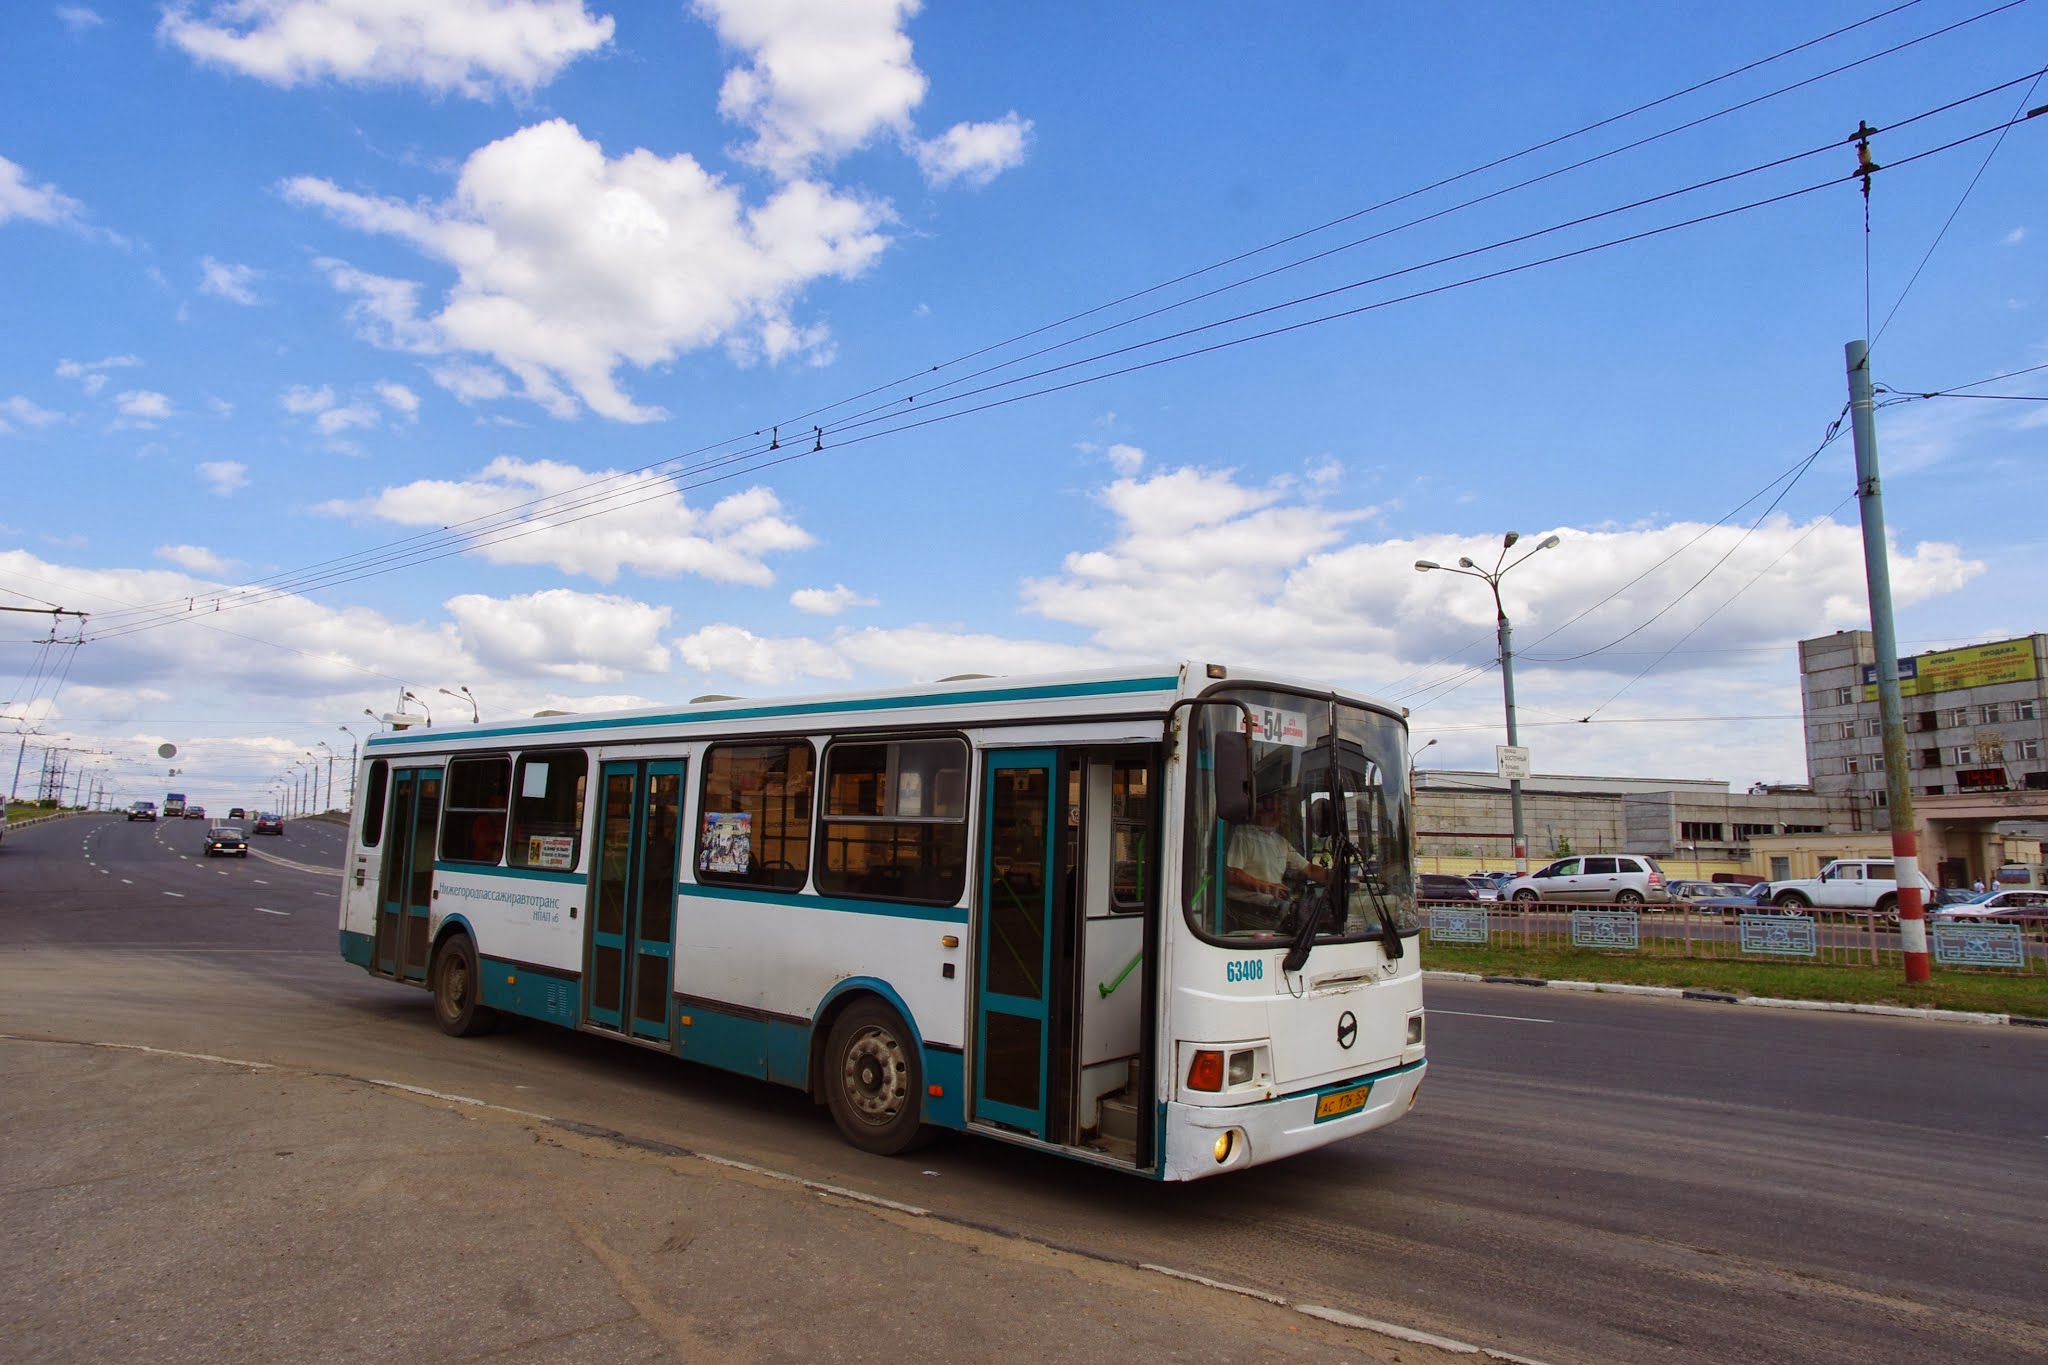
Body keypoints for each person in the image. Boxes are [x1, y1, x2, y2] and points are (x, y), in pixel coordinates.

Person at [1226, 790, 1327, 924]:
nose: (1277, 815)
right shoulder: (1243, 835)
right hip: (1245, 910)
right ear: (1258, 812)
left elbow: (1309, 870)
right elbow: (1232, 874)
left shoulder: (1281, 842)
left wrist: (1337, 878)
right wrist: (1266, 887)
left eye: (1279, 810)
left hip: (1272, 908)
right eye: (1271, 810)